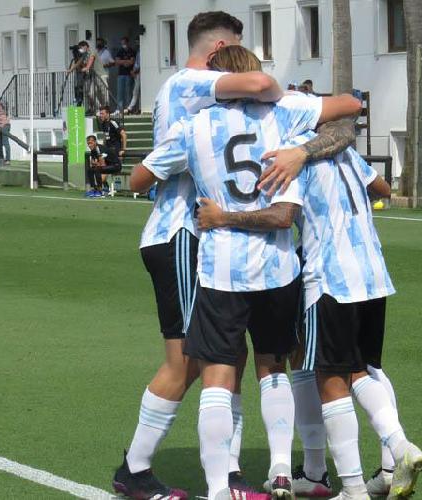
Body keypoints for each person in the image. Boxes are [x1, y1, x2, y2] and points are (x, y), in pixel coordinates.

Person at [130, 44, 365, 500]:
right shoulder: (286, 113)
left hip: (221, 267)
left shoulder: (194, 125)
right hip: (278, 265)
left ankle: (220, 488)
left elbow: (139, 178)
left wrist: (191, 175)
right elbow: (350, 108)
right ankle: (280, 469)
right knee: (274, 365)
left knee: (217, 375)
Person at [110, 11, 294, 500]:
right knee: (192, 360)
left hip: (198, 238)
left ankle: (227, 476)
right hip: (182, 233)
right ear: (217, 53)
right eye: (234, 48)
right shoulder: (194, 83)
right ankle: (137, 468)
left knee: (225, 355)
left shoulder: (189, 91)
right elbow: (261, 81)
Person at [68, 41, 98, 113]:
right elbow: (78, 63)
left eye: (81, 47)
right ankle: (92, 108)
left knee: (91, 93)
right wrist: (71, 69)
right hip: (87, 76)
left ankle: (98, 109)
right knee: (88, 93)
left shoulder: (91, 52)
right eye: (79, 48)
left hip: (93, 75)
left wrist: (86, 68)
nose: (80, 49)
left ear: (86, 46)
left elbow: (86, 63)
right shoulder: (84, 54)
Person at [114, 37, 136, 114]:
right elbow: (116, 62)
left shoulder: (132, 51)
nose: (123, 45)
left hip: (129, 74)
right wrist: (126, 61)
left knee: (128, 92)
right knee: (120, 92)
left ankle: (128, 109)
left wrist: (122, 62)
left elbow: (132, 62)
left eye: (124, 43)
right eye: (122, 43)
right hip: (121, 74)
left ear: (127, 43)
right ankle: (119, 109)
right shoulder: (120, 51)